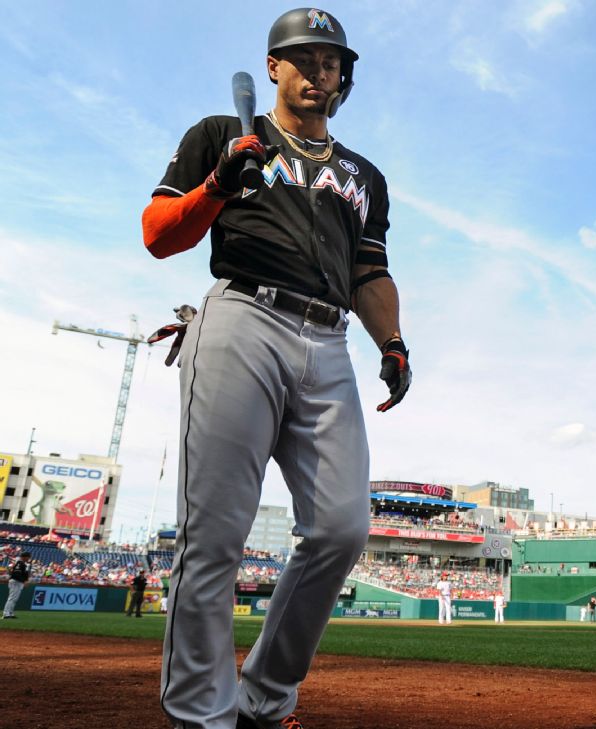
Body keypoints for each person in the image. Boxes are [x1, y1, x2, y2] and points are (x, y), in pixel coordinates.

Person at [141, 9, 411, 729]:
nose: (324, 71)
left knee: (342, 528)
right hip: (242, 320)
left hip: (329, 342)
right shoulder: (223, 136)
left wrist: (392, 340)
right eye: (309, 57)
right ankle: (202, 714)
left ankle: (263, 699)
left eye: (334, 62)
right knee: (216, 534)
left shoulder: (365, 176)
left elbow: (370, 271)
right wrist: (220, 185)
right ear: (274, 67)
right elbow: (158, 235)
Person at [3, 552, 31, 619]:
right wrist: (24, 581)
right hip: (15, 581)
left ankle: (10, 613)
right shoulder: (20, 563)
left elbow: (24, 574)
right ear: (25, 557)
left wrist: (25, 580)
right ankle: (6, 613)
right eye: (28, 557)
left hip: (18, 582)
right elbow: (16, 574)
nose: (29, 558)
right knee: (12, 598)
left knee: (14, 599)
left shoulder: (23, 564)